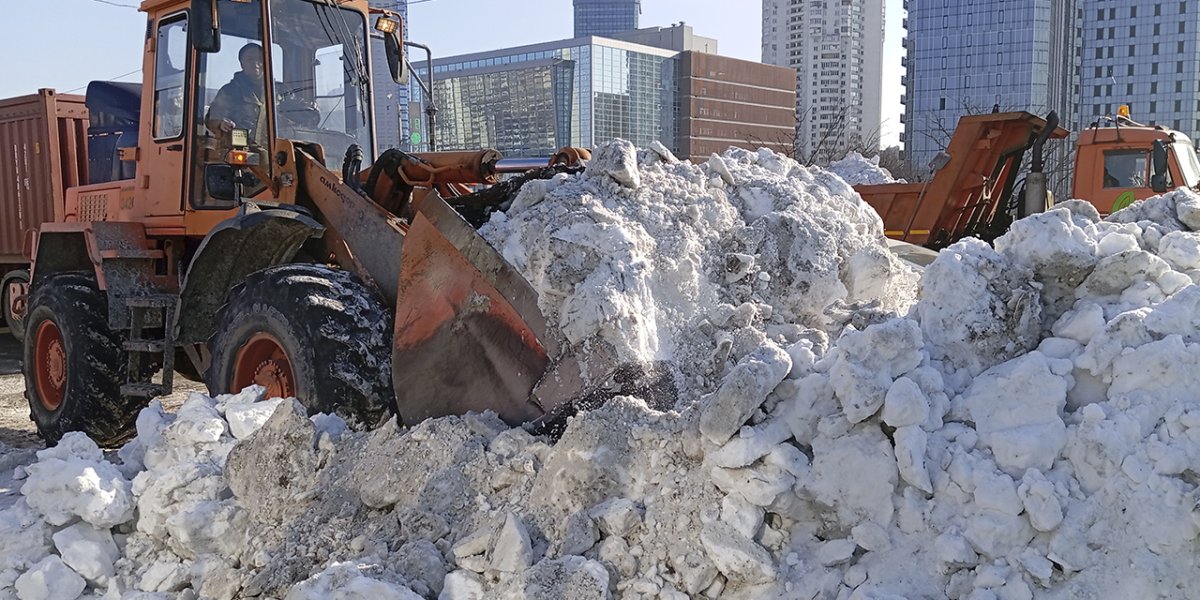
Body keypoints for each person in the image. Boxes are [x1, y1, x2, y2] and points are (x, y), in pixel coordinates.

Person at [206, 43, 267, 145]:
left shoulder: (277, 91)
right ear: (242, 64)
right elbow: (211, 119)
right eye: (250, 59)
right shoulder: (229, 91)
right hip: (240, 149)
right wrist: (221, 123)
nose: (256, 63)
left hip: (275, 149)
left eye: (259, 59)